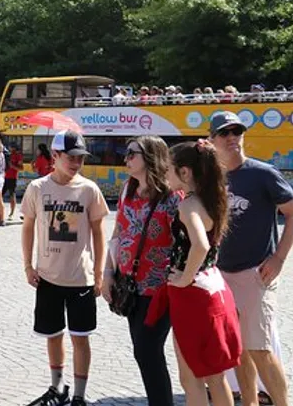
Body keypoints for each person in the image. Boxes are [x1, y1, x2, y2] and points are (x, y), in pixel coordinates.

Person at [143, 141, 242, 406]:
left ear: (185, 172)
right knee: (215, 376)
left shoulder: (189, 205)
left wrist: (185, 277)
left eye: (169, 170)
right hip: (214, 288)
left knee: (191, 379)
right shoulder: (213, 200)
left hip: (193, 296)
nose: (165, 175)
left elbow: (200, 244)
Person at [209, 111, 292, 406]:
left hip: (256, 273)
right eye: (224, 133)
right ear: (212, 140)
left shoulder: (262, 173)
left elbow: (291, 212)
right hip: (222, 275)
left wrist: (279, 258)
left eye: (237, 131)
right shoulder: (212, 179)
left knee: (260, 349)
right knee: (238, 349)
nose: (232, 137)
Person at [22, 130, 108, 406]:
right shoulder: (37, 188)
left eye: (80, 158)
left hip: (80, 279)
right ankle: (57, 389)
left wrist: (99, 273)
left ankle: (80, 396)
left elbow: (99, 232)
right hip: (48, 277)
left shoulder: (89, 189)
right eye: (70, 157)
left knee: (80, 338)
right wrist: (27, 265)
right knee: (53, 335)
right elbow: (27, 228)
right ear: (55, 156)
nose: (76, 163)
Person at [101, 136, 178, 406]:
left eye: (132, 153)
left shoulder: (171, 196)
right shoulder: (128, 190)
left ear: (150, 156)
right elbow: (118, 231)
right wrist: (108, 272)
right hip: (131, 285)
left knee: (148, 350)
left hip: (159, 288)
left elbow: (186, 239)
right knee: (143, 351)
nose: (126, 158)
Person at [5, 145, 24, 219]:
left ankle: (12, 213)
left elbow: (21, 168)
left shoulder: (18, 156)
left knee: (12, 194)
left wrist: (12, 166)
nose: (9, 148)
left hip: (12, 177)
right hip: (4, 176)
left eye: (11, 147)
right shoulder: (8, 155)